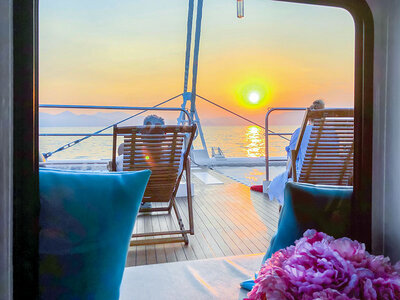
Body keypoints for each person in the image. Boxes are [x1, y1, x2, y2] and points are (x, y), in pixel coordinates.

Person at [267, 100, 325, 205]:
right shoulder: (332, 133)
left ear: (308, 118)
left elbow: (292, 159)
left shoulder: (300, 132)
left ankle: (285, 212)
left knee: (281, 181)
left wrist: (288, 174)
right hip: (329, 176)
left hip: (304, 178)